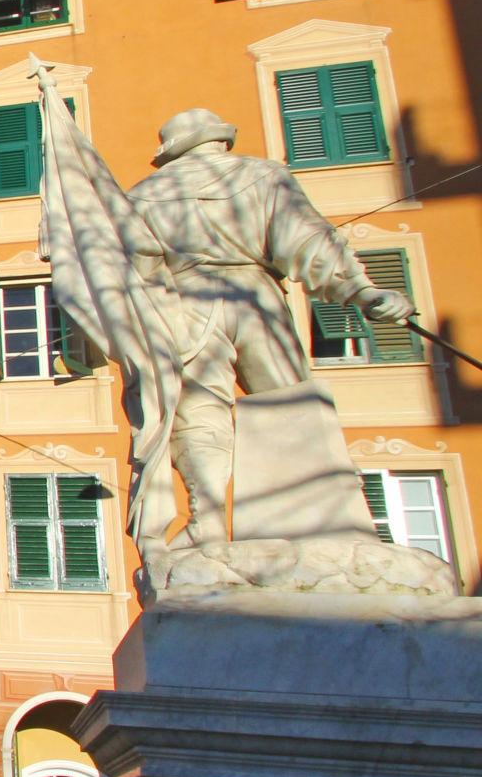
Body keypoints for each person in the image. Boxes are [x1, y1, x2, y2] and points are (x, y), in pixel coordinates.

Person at [120, 108, 413, 547]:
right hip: (254, 295)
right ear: (218, 141)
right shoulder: (262, 175)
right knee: (288, 400)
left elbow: (133, 272)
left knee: (197, 413)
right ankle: (324, 518)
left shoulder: (141, 196)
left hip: (182, 304)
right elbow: (310, 243)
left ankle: (208, 519)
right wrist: (360, 291)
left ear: (169, 153)